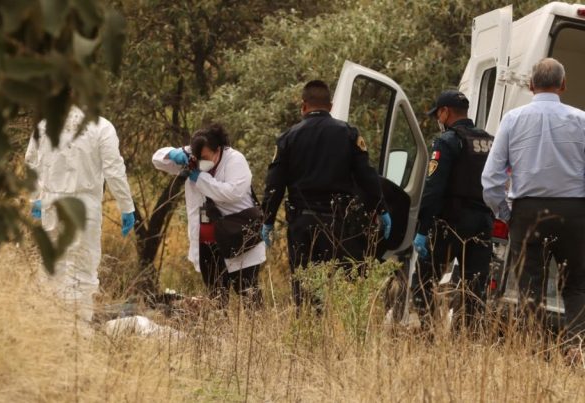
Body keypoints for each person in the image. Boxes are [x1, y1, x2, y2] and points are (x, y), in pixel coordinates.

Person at [482, 58, 585, 353]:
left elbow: (491, 178)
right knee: (577, 285)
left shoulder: (512, 119)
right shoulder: (581, 120)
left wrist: (506, 214)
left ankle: (534, 349)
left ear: (530, 85)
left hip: (527, 212)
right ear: (563, 85)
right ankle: (577, 348)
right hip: (574, 212)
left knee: (530, 285)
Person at [261, 80, 391, 308]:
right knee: (338, 286)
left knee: (304, 287)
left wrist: (268, 220)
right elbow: (367, 176)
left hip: (301, 223)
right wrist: (381, 209)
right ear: (330, 106)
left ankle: (307, 324)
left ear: (303, 106)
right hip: (336, 223)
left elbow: (275, 184)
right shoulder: (348, 134)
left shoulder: (288, 138)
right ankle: (333, 326)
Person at [25, 106, 136, 322]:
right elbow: (114, 169)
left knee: (53, 266)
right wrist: (126, 206)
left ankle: (49, 324)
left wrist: (35, 196)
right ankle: (77, 328)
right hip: (84, 206)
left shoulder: (45, 124)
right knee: (82, 271)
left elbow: (31, 160)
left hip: (51, 204)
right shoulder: (101, 127)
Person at [153, 124, 265, 307]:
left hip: (237, 237)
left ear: (217, 150)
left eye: (204, 158)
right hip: (207, 241)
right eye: (196, 158)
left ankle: (255, 325)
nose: (200, 162)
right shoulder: (193, 158)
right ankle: (220, 323)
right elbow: (157, 160)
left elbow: (232, 192)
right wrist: (173, 154)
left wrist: (199, 178)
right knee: (216, 297)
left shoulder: (235, 160)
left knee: (248, 293)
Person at [410, 90, 494, 326]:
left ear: (445, 112)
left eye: (438, 114)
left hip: (450, 223)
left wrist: (422, 229)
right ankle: (467, 338)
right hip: (481, 224)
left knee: (423, 283)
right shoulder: (489, 141)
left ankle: (427, 334)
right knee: (474, 289)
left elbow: (433, 189)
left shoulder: (446, 141)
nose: (439, 119)